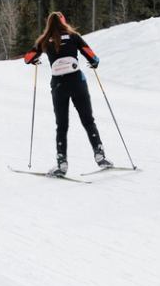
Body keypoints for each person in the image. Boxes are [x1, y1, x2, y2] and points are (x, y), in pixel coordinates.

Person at [22, 11, 109, 176]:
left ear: (49, 24)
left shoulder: (44, 40)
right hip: (77, 82)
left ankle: (61, 163)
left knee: (61, 125)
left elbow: (27, 58)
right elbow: (93, 57)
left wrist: (34, 60)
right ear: (64, 22)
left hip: (58, 85)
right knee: (88, 120)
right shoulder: (73, 36)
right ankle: (100, 155)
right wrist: (94, 63)